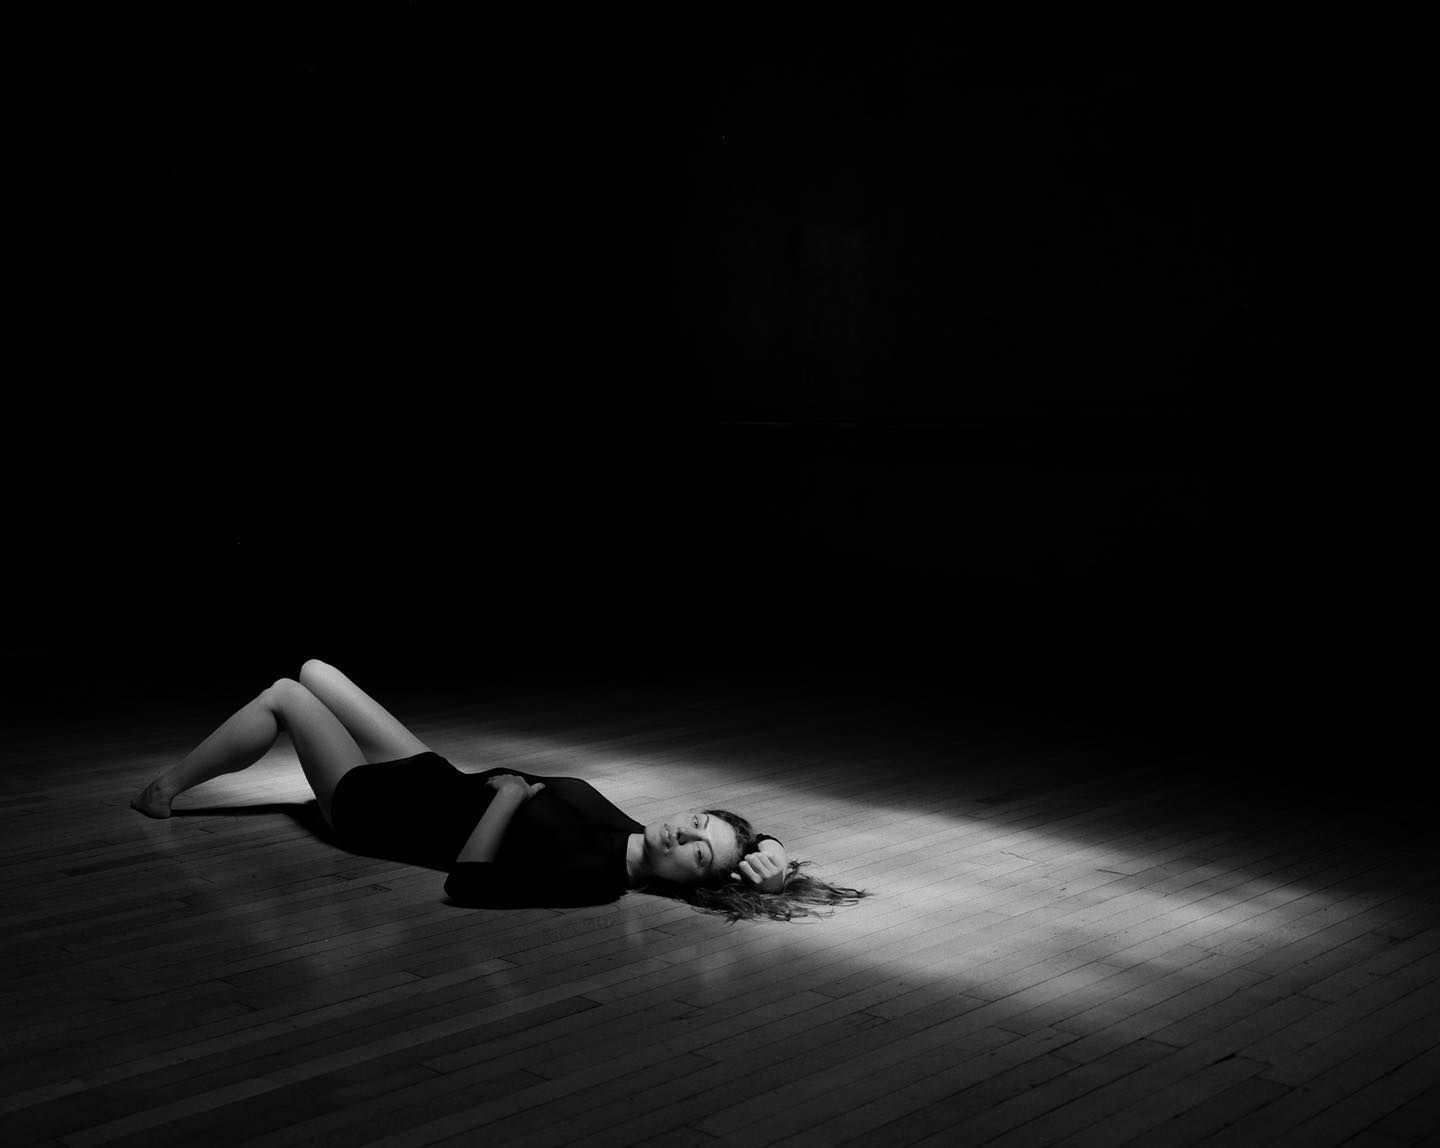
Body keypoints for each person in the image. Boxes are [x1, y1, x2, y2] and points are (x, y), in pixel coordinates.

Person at [130, 659, 868, 921]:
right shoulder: (633, 831)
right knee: (319, 668)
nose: (683, 832)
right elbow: (737, 850)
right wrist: (770, 852)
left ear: (687, 884)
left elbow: (469, 886)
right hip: (432, 774)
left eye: (696, 853)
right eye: (699, 821)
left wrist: (508, 800)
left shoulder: (595, 878)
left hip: (380, 811)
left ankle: (164, 789)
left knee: (286, 694)